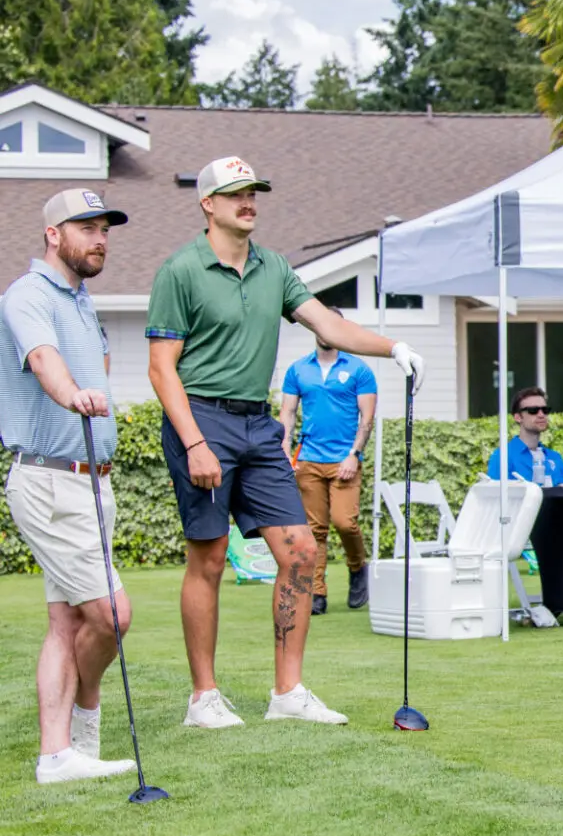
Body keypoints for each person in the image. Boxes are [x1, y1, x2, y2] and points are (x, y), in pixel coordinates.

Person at [146, 155, 425, 730]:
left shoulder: (274, 267)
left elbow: (328, 324)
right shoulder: (181, 270)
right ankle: (204, 698)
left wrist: (392, 347)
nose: (248, 202)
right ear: (208, 204)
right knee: (210, 558)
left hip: (258, 427)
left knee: (300, 551)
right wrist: (195, 442)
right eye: (235, 194)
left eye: (254, 193)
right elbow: (161, 369)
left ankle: (287, 691)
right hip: (201, 420)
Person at [1, 189, 140, 784]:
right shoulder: (29, 295)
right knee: (112, 614)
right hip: (51, 479)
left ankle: (58, 755)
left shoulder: (83, 301)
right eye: (85, 227)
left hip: (89, 480)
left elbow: (96, 370)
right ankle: (83, 726)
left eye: (104, 227)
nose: (100, 237)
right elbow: (44, 361)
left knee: (67, 623)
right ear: (53, 235)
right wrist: (71, 395)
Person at [279, 307, 378, 616]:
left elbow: (367, 418)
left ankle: (357, 567)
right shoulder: (298, 370)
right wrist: (284, 447)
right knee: (314, 530)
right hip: (308, 460)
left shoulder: (359, 369)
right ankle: (317, 593)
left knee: (345, 523)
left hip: (344, 461)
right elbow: (289, 412)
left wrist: (354, 454)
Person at [486, 386, 563, 486]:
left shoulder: (555, 457)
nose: (541, 415)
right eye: (533, 410)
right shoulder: (503, 456)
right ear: (518, 417)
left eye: (545, 410)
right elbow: (496, 496)